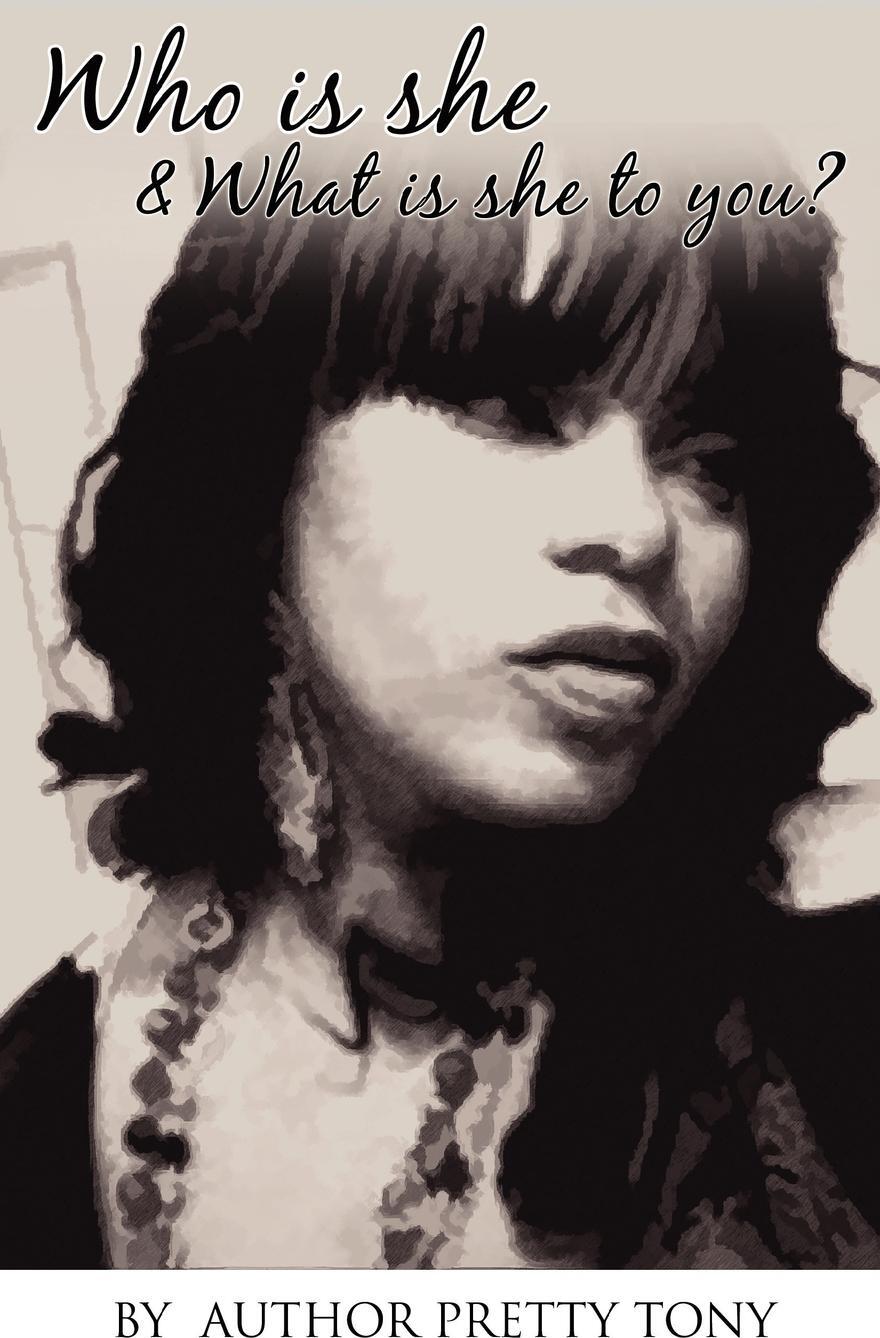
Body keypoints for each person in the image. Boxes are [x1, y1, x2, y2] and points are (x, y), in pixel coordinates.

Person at [2, 138, 879, 1269]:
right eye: (511, 404)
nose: (640, 525)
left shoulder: (822, 1026)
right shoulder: (36, 1099)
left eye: (712, 460)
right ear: (262, 466)